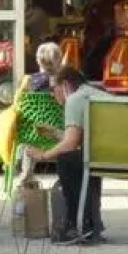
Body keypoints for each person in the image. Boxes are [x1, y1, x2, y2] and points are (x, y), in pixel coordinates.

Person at [23, 65, 105, 243]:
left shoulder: (75, 99)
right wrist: (55, 133)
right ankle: (92, 226)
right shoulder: (94, 94)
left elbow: (70, 144)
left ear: (66, 84)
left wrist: (43, 155)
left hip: (105, 156)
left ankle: (76, 226)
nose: (53, 95)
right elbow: (82, 139)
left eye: (54, 89)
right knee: (85, 158)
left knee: (68, 159)